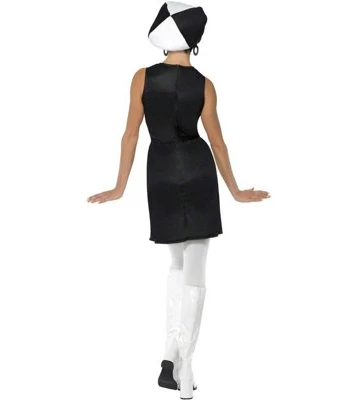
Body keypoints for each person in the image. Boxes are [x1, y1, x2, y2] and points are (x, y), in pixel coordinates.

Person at [87, 2, 270, 398]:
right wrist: (236, 191)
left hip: (160, 171)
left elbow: (131, 134)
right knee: (196, 272)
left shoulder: (141, 77)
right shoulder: (205, 84)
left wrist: (119, 187)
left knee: (176, 265)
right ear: (195, 42)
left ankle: (170, 355)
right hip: (197, 168)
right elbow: (217, 143)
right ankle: (184, 367)